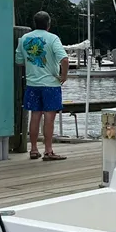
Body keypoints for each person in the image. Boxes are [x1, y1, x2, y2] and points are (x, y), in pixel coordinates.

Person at [15, 11, 69, 161]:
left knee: (35, 116)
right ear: (48, 24)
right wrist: (63, 76)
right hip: (50, 84)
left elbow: (19, 61)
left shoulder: (24, 38)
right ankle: (48, 151)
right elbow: (64, 59)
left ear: (35, 22)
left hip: (32, 83)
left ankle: (33, 149)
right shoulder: (52, 38)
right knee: (49, 118)